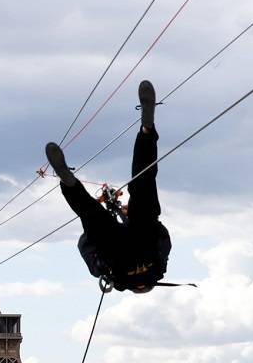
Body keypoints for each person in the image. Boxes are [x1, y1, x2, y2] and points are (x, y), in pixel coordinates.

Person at [45, 80, 172, 293]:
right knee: (89, 211)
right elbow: (85, 245)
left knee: (144, 182)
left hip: (144, 239)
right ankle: (69, 183)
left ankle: (147, 131)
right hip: (115, 253)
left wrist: (143, 220)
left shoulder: (159, 268)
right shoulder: (113, 277)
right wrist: (99, 228)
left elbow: (163, 238)